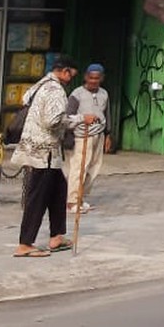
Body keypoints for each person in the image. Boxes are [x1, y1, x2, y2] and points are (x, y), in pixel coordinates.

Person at [11, 57, 76, 258]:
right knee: (37, 197)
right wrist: (79, 119)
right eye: (71, 73)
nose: (72, 77)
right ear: (65, 71)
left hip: (40, 149)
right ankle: (25, 243)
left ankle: (57, 236)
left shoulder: (41, 84)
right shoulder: (56, 90)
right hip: (44, 151)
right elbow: (53, 121)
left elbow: (26, 99)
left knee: (58, 191)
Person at [65, 63, 112, 214]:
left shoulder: (104, 94)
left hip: (98, 134)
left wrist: (108, 134)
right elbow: (67, 117)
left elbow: (107, 114)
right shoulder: (77, 94)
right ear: (86, 77)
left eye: (97, 78)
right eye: (91, 78)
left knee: (94, 168)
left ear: (101, 79)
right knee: (79, 169)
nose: (93, 81)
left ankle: (81, 197)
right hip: (82, 136)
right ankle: (72, 201)